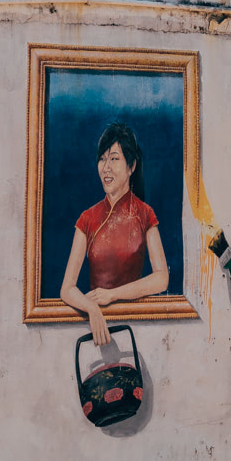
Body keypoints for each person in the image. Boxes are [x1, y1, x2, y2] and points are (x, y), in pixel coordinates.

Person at [59, 121, 172, 359]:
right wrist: (91, 307)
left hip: (138, 329)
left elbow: (162, 278)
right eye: (102, 159)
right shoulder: (86, 219)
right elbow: (67, 289)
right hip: (95, 331)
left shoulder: (145, 214)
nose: (106, 168)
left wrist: (113, 295)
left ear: (131, 166)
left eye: (114, 159)